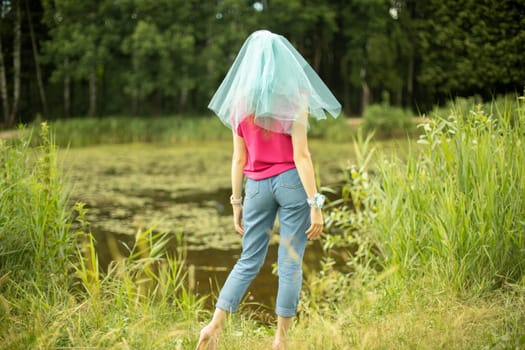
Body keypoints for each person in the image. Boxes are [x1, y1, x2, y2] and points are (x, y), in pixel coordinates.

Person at [197, 30, 341, 350]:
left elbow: (238, 158)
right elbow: (301, 156)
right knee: (290, 263)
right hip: (291, 183)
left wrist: (236, 202)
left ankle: (214, 326)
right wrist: (315, 204)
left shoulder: (239, 103)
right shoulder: (295, 97)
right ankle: (280, 342)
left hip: (256, 186)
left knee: (248, 259)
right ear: (282, 62)